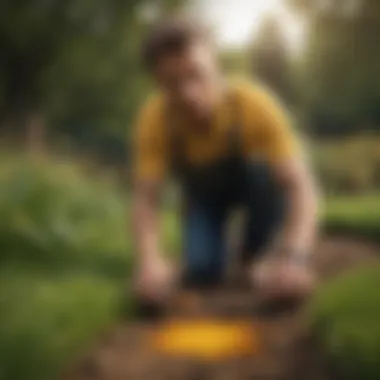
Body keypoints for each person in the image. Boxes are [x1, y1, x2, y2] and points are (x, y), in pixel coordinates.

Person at [131, 16, 319, 304]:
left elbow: (300, 186)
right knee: (202, 270)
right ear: (158, 83)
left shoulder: (253, 104)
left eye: (195, 74)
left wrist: (295, 257)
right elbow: (147, 198)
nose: (188, 94)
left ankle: (257, 254)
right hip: (203, 200)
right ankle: (210, 256)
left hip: (256, 190)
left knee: (262, 173)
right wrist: (149, 261)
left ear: (214, 62)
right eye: (172, 84)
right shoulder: (154, 120)